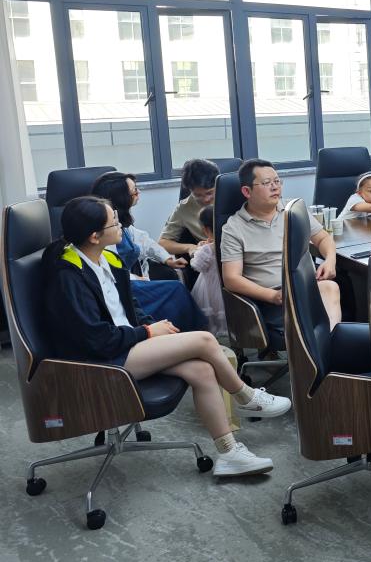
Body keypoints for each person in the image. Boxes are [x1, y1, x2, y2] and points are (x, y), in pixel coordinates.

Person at [43, 196, 290, 477]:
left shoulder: (107, 258)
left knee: (202, 371)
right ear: (94, 236)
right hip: (99, 361)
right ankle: (245, 396)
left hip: (123, 345)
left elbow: (131, 308)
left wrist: (151, 326)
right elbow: (96, 340)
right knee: (205, 340)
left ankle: (229, 453)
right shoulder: (70, 275)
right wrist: (147, 332)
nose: (121, 226)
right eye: (114, 222)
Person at [220, 159, 342, 335]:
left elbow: (323, 238)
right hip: (270, 299)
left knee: (331, 288)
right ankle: (326, 347)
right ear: (247, 191)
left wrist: (330, 260)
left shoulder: (294, 210)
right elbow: (231, 278)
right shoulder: (233, 228)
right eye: (267, 183)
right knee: (315, 320)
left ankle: (328, 345)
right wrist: (273, 296)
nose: (275, 187)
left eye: (277, 181)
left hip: (305, 287)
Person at [91, 171, 207, 333]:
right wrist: (133, 278)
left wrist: (167, 259)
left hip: (132, 281)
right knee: (176, 289)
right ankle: (192, 333)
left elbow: (144, 241)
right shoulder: (104, 230)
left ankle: (186, 333)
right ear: (121, 197)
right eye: (134, 191)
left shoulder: (122, 223)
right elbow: (106, 268)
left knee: (174, 288)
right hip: (121, 285)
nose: (138, 193)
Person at [160, 158, 220, 256]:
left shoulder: (233, 196)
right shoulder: (184, 208)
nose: (205, 199)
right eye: (198, 195)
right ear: (190, 190)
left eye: (209, 193)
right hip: (212, 257)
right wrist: (190, 247)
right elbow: (162, 243)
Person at [190, 205, 226, 338]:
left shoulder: (207, 249)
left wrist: (197, 250)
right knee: (225, 313)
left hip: (209, 290)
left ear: (205, 230)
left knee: (212, 314)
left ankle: (213, 334)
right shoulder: (231, 244)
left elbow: (196, 265)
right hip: (226, 288)